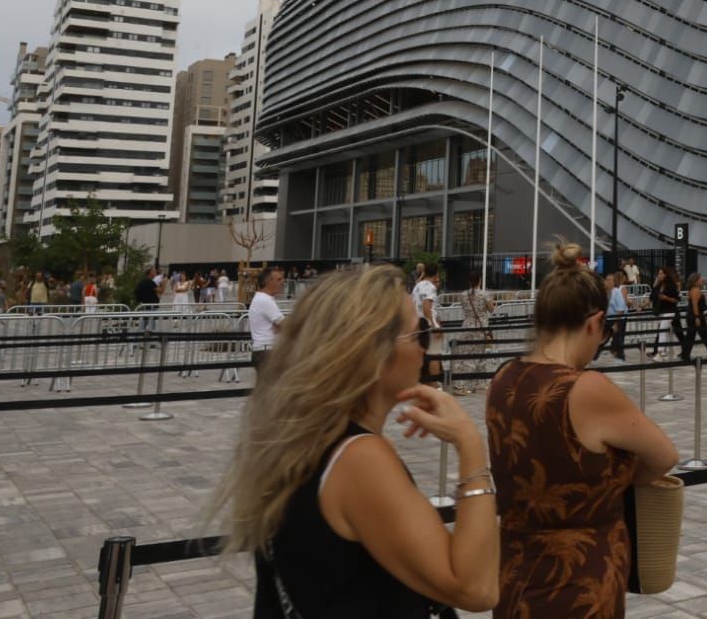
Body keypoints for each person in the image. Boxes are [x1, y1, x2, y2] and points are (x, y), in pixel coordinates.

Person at [210, 266, 500, 618]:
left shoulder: (302, 440)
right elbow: (476, 587)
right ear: (373, 352)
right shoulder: (359, 460)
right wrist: (470, 446)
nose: (426, 346)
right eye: (419, 333)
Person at [486, 239, 679, 617]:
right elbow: (664, 455)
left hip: (514, 574)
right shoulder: (584, 388)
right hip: (580, 581)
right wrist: (616, 482)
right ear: (594, 323)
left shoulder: (503, 379)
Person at [249, 267, 287, 375]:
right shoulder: (264, 300)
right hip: (267, 351)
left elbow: (282, 325)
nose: (282, 282)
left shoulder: (263, 299)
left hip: (265, 350)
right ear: (268, 282)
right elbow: (286, 325)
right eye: (279, 280)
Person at [411, 261, 440, 385]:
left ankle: (420, 382)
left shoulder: (417, 285)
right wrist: (435, 326)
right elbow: (427, 308)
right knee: (434, 355)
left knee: (421, 356)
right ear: (436, 274)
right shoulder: (430, 287)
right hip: (428, 325)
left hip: (417, 324)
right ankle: (434, 384)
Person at [649, 264, 684, 361]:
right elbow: (652, 297)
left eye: (661, 273)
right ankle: (663, 351)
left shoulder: (671, 286)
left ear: (665, 275)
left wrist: (666, 298)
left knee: (663, 330)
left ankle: (661, 352)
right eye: (658, 274)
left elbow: (677, 299)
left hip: (670, 311)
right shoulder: (659, 285)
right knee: (664, 332)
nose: (659, 275)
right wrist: (655, 285)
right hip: (661, 311)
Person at [680, 271, 707, 360]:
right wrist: (697, 317)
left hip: (692, 316)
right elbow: (695, 304)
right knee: (705, 336)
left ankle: (685, 355)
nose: (702, 280)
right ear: (695, 281)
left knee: (690, 336)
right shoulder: (696, 291)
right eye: (700, 279)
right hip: (696, 316)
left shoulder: (692, 290)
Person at [602, 272, 629, 363]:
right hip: (607, 318)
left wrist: (616, 323)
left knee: (618, 337)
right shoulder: (605, 292)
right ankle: (595, 354)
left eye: (610, 280)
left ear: (614, 282)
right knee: (601, 335)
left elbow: (621, 309)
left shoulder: (617, 292)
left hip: (617, 317)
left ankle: (620, 357)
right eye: (606, 280)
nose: (607, 282)